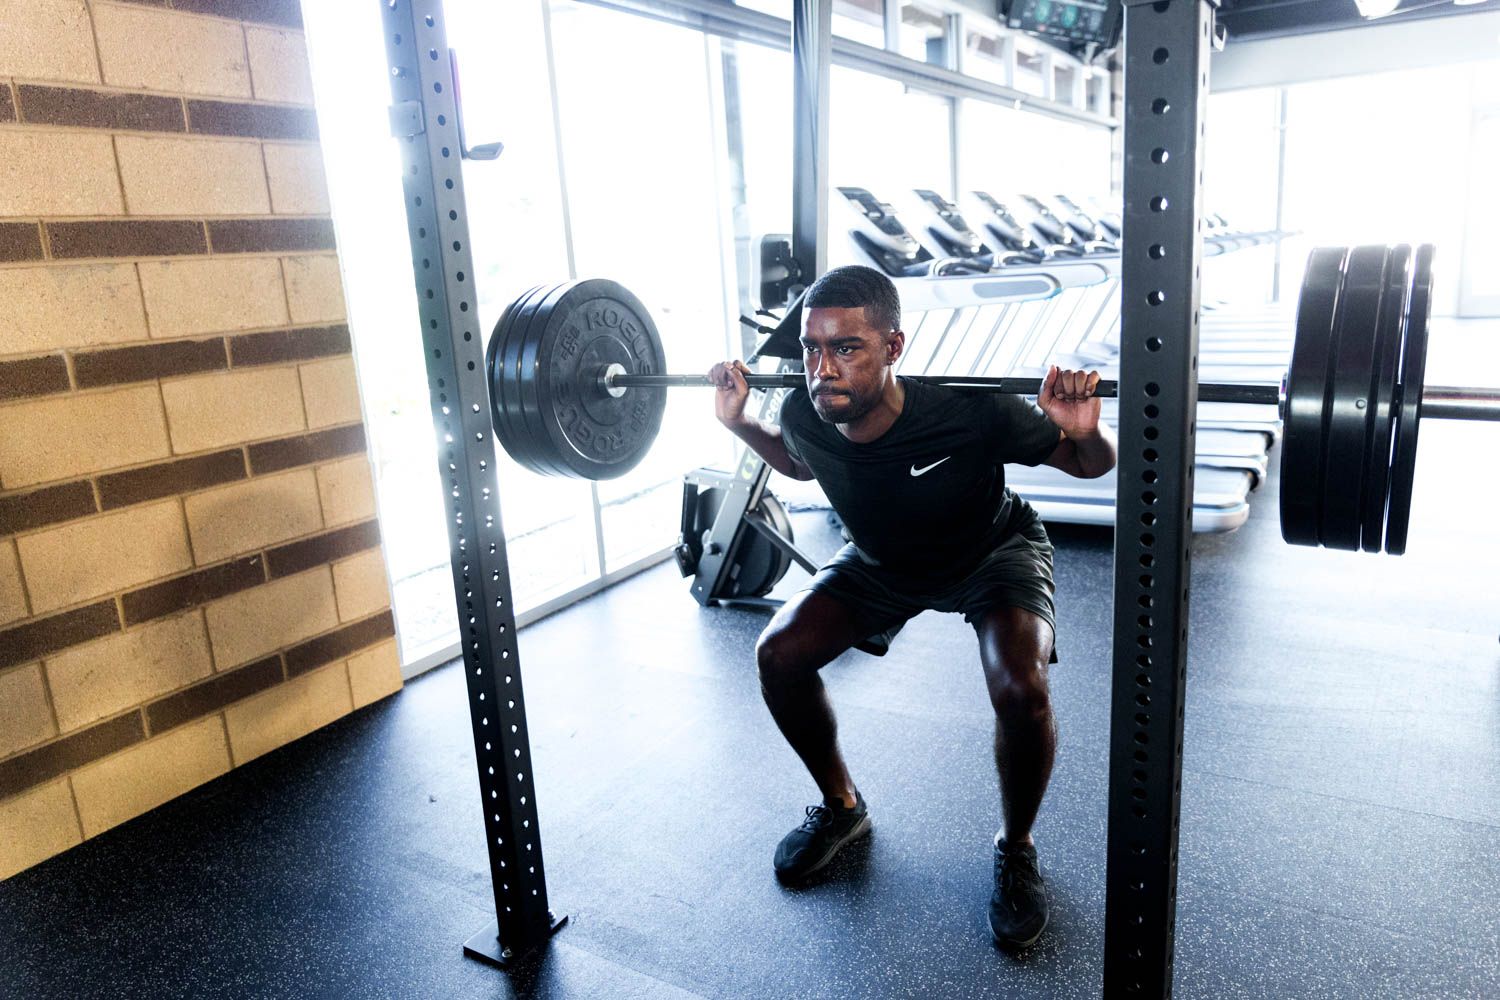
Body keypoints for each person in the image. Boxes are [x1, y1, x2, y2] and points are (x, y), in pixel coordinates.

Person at [708, 264, 1117, 951]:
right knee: (778, 653)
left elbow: (1088, 465)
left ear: (893, 348)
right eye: (812, 348)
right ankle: (843, 809)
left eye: (846, 348)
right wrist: (742, 422)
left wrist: (1082, 432)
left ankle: (1016, 847)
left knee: (1022, 689)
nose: (821, 369)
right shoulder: (809, 411)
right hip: (883, 562)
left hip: (992, 551)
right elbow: (800, 462)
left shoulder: (970, 412)